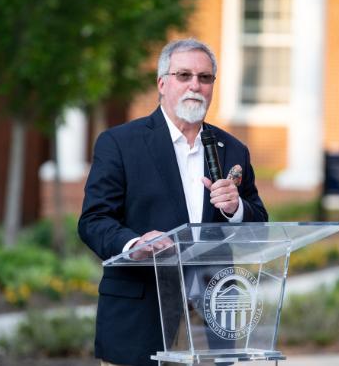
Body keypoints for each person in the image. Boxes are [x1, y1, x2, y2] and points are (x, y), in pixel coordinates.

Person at [78, 38, 268, 366]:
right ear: (162, 84)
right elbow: (94, 220)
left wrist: (236, 209)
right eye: (184, 75)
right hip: (139, 319)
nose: (195, 85)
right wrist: (134, 243)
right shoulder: (120, 143)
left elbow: (260, 228)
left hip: (211, 326)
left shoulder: (232, 149)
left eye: (205, 78)